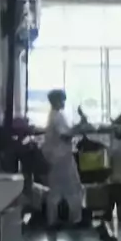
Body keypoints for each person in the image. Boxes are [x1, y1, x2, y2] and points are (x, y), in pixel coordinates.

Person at [43, 89, 88, 227]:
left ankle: (51, 220)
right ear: (56, 101)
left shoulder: (53, 115)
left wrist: (77, 127)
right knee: (74, 188)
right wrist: (80, 127)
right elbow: (65, 135)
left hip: (54, 158)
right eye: (62, 100)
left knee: (55, 191)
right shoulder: (58, 116)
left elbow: (65, 132)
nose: (63, 103)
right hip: (62, 158)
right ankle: (76, 219)